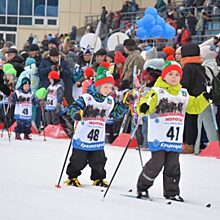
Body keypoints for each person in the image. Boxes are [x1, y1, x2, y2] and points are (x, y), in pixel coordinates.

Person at [136, 61, 211, 201]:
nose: (174, 77)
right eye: (170, 74)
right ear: (164, 76)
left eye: (177, 74)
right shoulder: (157, 91)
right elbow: (147, 102)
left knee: (173, 166)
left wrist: (205, 98)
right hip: (159, 135)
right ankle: (143, 186)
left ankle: (172, 191)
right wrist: (144, 107)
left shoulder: (183, 93)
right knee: (156, 163)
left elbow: (193, 107)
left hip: (174, 138)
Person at [64, 63, 128, 187]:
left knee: (99, 160)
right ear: (98, 86)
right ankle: (72, 176)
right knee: (78, 160)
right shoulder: (87, 98)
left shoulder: (109, 101)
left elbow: (115, 114)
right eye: (105, 87)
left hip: (97, 138)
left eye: (110, 87)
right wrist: (76, 113)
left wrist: (124, 106)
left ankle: (98, 178)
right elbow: (74, 107)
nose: (108, 90)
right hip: (83, 136)